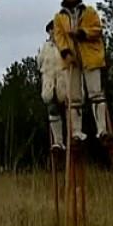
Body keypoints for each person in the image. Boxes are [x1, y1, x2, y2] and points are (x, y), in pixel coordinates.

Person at [53, 0, 110, 143]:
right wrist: (65, 52)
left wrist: (82, 33)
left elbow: (98, 29)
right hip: (72, 61)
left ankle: (102, 129)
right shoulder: (59, 17)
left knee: (96, 93)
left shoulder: (89, 11)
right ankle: (76, 132)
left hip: (91, 57)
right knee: (75, 97)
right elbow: (59, 37)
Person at [38, 20, 67, 151]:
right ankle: (58, 141)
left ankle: (73, 137)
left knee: (70, 110)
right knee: (53, 110)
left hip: (65, 81)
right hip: (50, 83)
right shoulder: (45, 47)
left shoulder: (66, 44)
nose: (53, 32)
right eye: (51, 30)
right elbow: (39, 63)